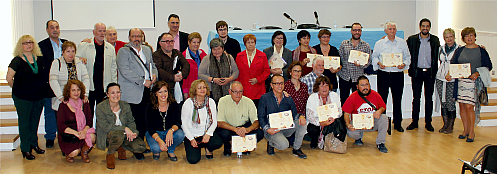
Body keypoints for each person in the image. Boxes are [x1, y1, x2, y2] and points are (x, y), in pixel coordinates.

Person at [117, 28, 158, 159]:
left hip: (147, 91)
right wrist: (142, 81)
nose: (136, 39)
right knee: (133, 121)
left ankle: (140, 145)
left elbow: (153, 65)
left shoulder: (147, 50)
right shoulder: (123, 52)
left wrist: (155, 75)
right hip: (133, 92)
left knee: (143, 121)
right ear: (129, 38)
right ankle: (135, 149)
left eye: (139, 36)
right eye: (134, 36)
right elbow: (125, 71)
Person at [446, 27, 493, 142]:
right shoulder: (460, 50)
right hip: (461, 82)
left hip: (474, 83)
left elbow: (488, 65)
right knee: (462, 105)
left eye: (471, 35)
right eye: (467, 36)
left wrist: (477, 73)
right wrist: (449, 74)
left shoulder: (481, 50)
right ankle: (465, 130)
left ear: (475, 36)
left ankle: (472, 132)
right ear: (463, 38)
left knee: (469, 107)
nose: (469, 38)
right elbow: (453, 64)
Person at [7, 35, 46, 160]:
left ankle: (34, 144)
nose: (29, 45)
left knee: (34, 122)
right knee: (24, 123)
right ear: (21, 45)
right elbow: (9, 78)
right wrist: (17, 90)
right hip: (22, 97)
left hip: (38, 96)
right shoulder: (17, 60)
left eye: (31, 42)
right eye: (25, 43)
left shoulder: (39, 59)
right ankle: (25, 149)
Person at [372, 21, 411, 132]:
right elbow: (374, 57)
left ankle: (397, 123)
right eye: (390, 29)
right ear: (385, 30)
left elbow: (408, 57)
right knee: (382, 100)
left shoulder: (402, 43)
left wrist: (403, 64)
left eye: (394, 29)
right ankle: (382, 124)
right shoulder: (379, 43)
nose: (392, 31)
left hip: (397, 74)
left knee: (397, 99)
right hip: (383, 74)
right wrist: (379, 63)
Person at [96, 83, 146, 169]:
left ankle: (121, 147)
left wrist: (134, 133)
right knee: (118, 135)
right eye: (112, 93)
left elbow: (131, 121)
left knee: (140, 146)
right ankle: (110, 154)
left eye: (118, 92)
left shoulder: (125, 105)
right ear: (107, 94)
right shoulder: (101, 107)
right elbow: (105, 127)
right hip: (108, 136)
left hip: (124, 134)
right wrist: (124, 128)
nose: (116, 95)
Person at [258, 75, 307, 159]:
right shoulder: (265, 98)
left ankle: (296, 148)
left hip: (285, 128)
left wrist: (301, 116)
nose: (279, 86)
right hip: (271, 130)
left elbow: (295, 114)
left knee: (302, 123)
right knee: (284, 146)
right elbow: (261, 117)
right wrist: (267, 129)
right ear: (271, 85)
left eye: (281, 83)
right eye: (276, 83)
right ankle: (271, 143)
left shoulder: (288, 98)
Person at [406, 18, 440, 132]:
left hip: (430, 73)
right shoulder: (412, 39)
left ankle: (428, 122)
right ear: (420, 27)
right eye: (423, 26)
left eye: (427, 26)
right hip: (417, 73)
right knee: (416, 98)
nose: (425, 28)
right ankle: (414, 122)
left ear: (430, 27)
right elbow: (404, 52)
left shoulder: (435, 40)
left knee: (429, 98)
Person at [76, 22, 117, 116]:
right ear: (94, 32)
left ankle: (101, 131)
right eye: (100, 31)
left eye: (104, 31)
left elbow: (113, 69)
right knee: (87, 113)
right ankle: (88, 130)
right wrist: (80, 59)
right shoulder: (84, 46)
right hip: (89, 87)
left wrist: (113, 86)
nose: (102, 33)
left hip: (104, 87)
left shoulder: (110, 48)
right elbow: (76, 62)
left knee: (103, 114)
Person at [38, 20, 68, 148]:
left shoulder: (66, 43)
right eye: (52, 27)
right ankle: (50, 137)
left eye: (57, 27)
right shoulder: (41, 46)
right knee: (50, 112)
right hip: (48, 84)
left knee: (65, 111)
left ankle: (65, 136)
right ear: (47, 30)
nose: (55, 30)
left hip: (65, 84)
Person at [216, 81, 264, 157]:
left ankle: (244, 146)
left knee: (260, 133)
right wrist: (235, 129)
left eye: (240, 91)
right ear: (229, 91)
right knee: (223, 134)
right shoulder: (222, 101)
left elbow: (256, 122)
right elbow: (220, 123)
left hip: (244, 128)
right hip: (230, 128)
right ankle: (228, 145)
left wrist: (247, 129)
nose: (238, 94)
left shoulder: (249, 101)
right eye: (235, 92)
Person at [343, 76, 389, 153]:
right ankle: (358, 138)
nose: (365, 87)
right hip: (358, 123)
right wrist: (348, 124)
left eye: (367, 84)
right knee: (350, 132)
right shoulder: (352, 97)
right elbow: (346, 113)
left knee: (384, 117)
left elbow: (383, 106)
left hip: (373, 122)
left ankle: (380, 143)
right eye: (362, 85)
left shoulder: (375, 94)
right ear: (357, 87)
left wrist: (380, 111)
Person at [181, 79, 222, 164]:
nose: (202, 89)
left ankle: (208, 149)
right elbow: (184, 124)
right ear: (194, 90)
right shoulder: (188, 103)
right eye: (199, 88)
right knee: (193, 160)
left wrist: (208, 134)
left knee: (218, 142)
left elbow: (214, 122)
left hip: (205, 134)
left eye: (204, 87)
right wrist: (191, 139)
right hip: (193, 136)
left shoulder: (211, 102)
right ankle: (196, 148)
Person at [57, 80, 96, 163]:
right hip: (70, 136)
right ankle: (71, 153)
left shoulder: (85, 103)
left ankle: (84, 152)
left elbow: (89, 122)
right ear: (68, 91)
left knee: (93, 136)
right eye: (73, 90)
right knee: (74, 152)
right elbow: (61, 126)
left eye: (78, 90)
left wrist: (84, 131)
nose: (76, 92)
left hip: (82, 133)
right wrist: (76, 133)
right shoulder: (63, 105)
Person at [145, 81, 185, 161]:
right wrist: (159, 140)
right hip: (154, 133)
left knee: (181, 134)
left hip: (169, 132)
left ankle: (170, 150)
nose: (163, 94)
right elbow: (149, 126)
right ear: (156, 94)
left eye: (165, 91)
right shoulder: (150, 106)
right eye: (160, 92)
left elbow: (178, 122)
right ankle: (157, 151)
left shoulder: (173, 104)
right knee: (156, 148)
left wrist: (171, 131)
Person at [49, 41, 90, 113]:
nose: (71, 54)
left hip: (78, 100)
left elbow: (86, 79)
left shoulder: (80, 62)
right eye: (68, 51)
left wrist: (85, 95)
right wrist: (61, 97)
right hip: (62, 101)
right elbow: (53, 81)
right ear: (63, 52)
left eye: (73, 51)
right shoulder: (56, 63)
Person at [338, 22, 372, 106]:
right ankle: (344, 119)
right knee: (344, 100)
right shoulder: (344, 44)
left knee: (358, 101)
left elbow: (369, 61)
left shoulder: (366, 46)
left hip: (358, 78)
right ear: (351, 31)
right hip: (344, 76)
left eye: (359, 30)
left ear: (361, 31)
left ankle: (356, 119)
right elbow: (340, 59)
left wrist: (361, 64)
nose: (357, 32)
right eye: (355, 30)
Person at [198, 38, 239, 103]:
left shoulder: (229, 57)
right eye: (214, 49)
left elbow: (236, 72)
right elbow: (200, 74)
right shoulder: (206, 59)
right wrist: (213, 79)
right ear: (211, 50)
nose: (217, 51)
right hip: (211, 92)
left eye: (219, 49)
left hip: (228, 91)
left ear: (223, 48)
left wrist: (229, 79)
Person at [305, 76, 342, 149]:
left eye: (326, 85)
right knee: (312, 129)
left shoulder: (334, 95)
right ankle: (315, 139)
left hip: (331, 120)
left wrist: (333, 118)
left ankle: (331, 141)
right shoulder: (312, 97)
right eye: (322, 86)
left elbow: (340, 112)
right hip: (317, 122)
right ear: (317, 87)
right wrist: (321, 123)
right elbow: (309, 117)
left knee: (340, 123)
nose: (324, 88)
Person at [153, 32, 190, 103]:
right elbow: (159, 70)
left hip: (178, 87)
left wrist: (182, 74)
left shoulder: (177, 53)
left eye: (171, 41)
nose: (170, 43)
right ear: (160, 43)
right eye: (167, 41)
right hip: (163, 89)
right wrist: (173, 78)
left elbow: (186, 65)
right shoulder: (156, 55)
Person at [235, 34, 270, 107]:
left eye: (252, 42)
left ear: (255, 43)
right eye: (248, 42)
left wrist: (258, 79)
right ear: (245, 44)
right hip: (244, 88)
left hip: (258, 87)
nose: (250, 44)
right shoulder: (239, 56)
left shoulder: (262, 55)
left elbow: (267, 71)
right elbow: (236, 71)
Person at [435, 28, 459, 134]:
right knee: (443, 101)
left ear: (454, 37)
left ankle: (451, 125)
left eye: (451, 37)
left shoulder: (459, 49)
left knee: (450, 102)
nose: (449, 39)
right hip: (440, 78)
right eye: (446, 37)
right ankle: (445, 124)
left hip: (452, 79)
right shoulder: (441, 48)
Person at [283, 61, 309, 128]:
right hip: (289, 117)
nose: (297, 73)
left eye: (299, 71)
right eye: (295, 71)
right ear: (290, 72)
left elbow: (306, 103)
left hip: (302, 116)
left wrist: (302, 115)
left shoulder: (304, 86)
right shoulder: (284, 86)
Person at [182, 32, 207, 99]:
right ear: (189, 43)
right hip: (190, 89)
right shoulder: (183, 56)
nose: (196, 44)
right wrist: (185, 91)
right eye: (194, 42)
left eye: (198, 42)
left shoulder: (203, 54)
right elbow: (183, 76)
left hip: (202, 89)